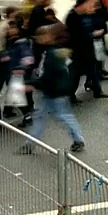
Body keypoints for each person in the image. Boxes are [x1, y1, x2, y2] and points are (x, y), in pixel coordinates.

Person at [20, 24, 85, 154]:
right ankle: (30, 143)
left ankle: (78, 139)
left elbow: (49, 74)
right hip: (53, 90)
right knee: (47, 116)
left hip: (54, 91)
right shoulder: (53, 51)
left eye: (41, 36)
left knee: (60, 116)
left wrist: (34, 83)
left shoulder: (51, 54)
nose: (38, 39)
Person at [66, 0, 108, 102]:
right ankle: (70, 94)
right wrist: (92, 34)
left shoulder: (85, 15)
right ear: (82, 4)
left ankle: (97, 91)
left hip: (88, 49)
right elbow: (76, 35)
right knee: (76, 74)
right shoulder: (72, 17)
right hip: (77, 51)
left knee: (93, 70)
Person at [3, 20, 35, 126]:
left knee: (16, 96)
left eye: (11, 28)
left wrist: (21, 68)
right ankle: (25, 115)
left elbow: (28, 58)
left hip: (17, 74)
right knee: (15, 96)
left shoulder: (20, 43)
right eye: (8, 29)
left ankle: (27, 115)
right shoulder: (11, 42)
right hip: (12, 73)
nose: (9, 31)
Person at [28, 0, 54, 67]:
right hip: (37, 37)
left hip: (37, 37)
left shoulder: (39, 9)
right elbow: (38, 24)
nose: (51, 3)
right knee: (36, 57)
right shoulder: (39, 10)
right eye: (50, 1)